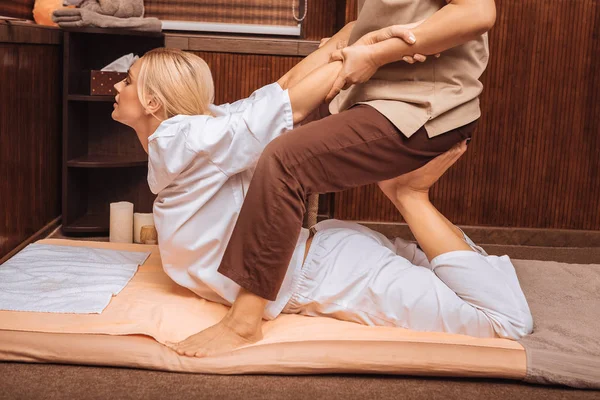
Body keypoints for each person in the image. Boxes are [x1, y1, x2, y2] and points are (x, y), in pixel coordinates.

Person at [110, 38, 532, 360]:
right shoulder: (204, 133)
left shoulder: (178, 137)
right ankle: (412, 199)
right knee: (450, 278)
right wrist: (350, 40)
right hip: (326, 255)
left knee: (504, 321)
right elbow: (278, 92)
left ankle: (411, 196)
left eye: (127, 80)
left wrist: (369, 51)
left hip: (329, 274)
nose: (116, 84)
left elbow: (281, 105)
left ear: (152, 102)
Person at [187, 0, 502, 356]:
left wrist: (379, 53)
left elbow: (477, 13)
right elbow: (386, 17)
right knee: (279, 123)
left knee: (285, 161)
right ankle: (277, 265)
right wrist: (299, 75)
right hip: (381, 89)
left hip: (427, 103)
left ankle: (243, 324)